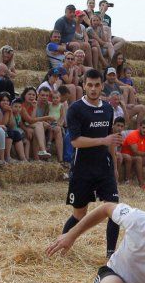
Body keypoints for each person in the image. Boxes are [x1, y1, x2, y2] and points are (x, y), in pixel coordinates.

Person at [51, 68, 122, 257]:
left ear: (102, 86)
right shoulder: (75, 109)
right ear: (84, 86)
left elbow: (111, 140)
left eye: (97, 85)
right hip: (82, 169)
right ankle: (61, 249)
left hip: (104, 168)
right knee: (79, 215)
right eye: (89, 85)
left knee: (114, 209)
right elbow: (75, 141)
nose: (93, 89)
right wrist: (103, 141)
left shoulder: (108, 109)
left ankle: (110, 256)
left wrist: (114, 166)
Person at [120, 118, 145, 186]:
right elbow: (135, 152)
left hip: (138, 158)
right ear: (139, 127)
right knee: (139, 158)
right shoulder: (133, 135)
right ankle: (141, 184)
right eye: (143, 127)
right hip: (127, 158)